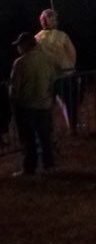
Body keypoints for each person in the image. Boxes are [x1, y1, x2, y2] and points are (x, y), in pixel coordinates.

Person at [9, 32, 59, 175]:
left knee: (28, 139)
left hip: (26, 106)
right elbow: (52, 81)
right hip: (43, 104)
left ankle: (29, 167)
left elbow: (15, 88)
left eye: (19, 45)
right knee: (44, 137)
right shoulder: (47, 59)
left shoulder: (20, 63)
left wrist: (13, 102)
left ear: (25, 45)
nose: (18, 48)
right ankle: (48, 164)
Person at [35, 9, 80, 134]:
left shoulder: (37, 38)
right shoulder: (61, 35)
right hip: (64, 74)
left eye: (55, 18)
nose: (55, 21)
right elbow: (72, 53)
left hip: (51, 76)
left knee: (48, 104)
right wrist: (70, 66)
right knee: (68, 102)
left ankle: (50, 129)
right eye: (52, 18)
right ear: (45, 20)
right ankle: (71, 127)